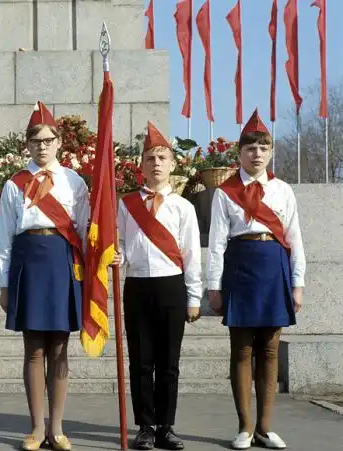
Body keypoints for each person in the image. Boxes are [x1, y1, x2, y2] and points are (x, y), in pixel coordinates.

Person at [207, 109, 305, 450]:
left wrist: (298, 283)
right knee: (242, 349)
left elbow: (294, 239)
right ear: (240, 153)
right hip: (240, 267)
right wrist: (214, 286)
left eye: (264, 148)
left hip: (274, 268)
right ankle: (245, 427)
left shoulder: (283, 191)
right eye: (250, 148)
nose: (257, 154)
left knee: (270, 349)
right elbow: (216, 243)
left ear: (271, 152)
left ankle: (265, 427)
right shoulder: (225, 193)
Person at [0, 101, 90, 451]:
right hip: (29, 264)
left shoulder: (73, 182)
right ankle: (37, 428)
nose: (42, 147)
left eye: (49, 140)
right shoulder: (14, 184)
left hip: (62, 264)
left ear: (59, 143)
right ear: (28, 144)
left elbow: (84, 230)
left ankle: (58, 428)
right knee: (34, 348)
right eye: (36, 141)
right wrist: (5, 283)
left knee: (60, 348)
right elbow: (5, 237)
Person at [113, 122, 202, 450]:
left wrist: (194, 296)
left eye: (162, 157)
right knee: (141, 361)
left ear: (173, 164)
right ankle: (145, 427)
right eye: (150, 158)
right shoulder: (126, 204)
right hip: (137, 285)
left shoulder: (183, 207)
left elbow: (191, 254)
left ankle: (166, 425)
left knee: (168, 362)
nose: (156, 163)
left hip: (171, 286)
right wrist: (117, 256)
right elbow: (122, 244)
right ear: (141, 164)